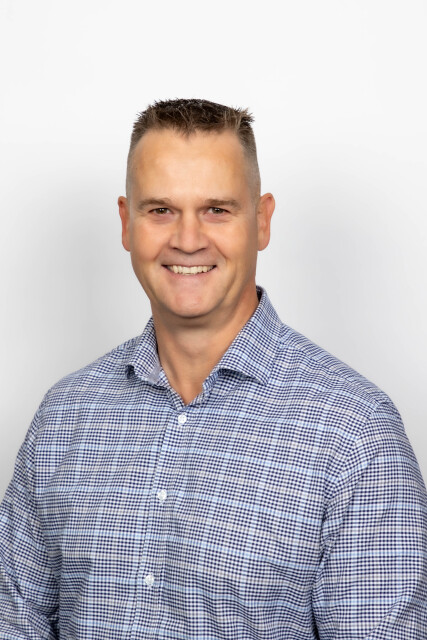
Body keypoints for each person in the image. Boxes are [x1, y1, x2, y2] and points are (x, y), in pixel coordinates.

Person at [0, 98, 426, 640]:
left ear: (262, 220)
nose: (187, 239)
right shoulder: (65, 415)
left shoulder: (355, 433)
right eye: (161, 210)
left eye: (216, 210)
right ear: (126, 223)